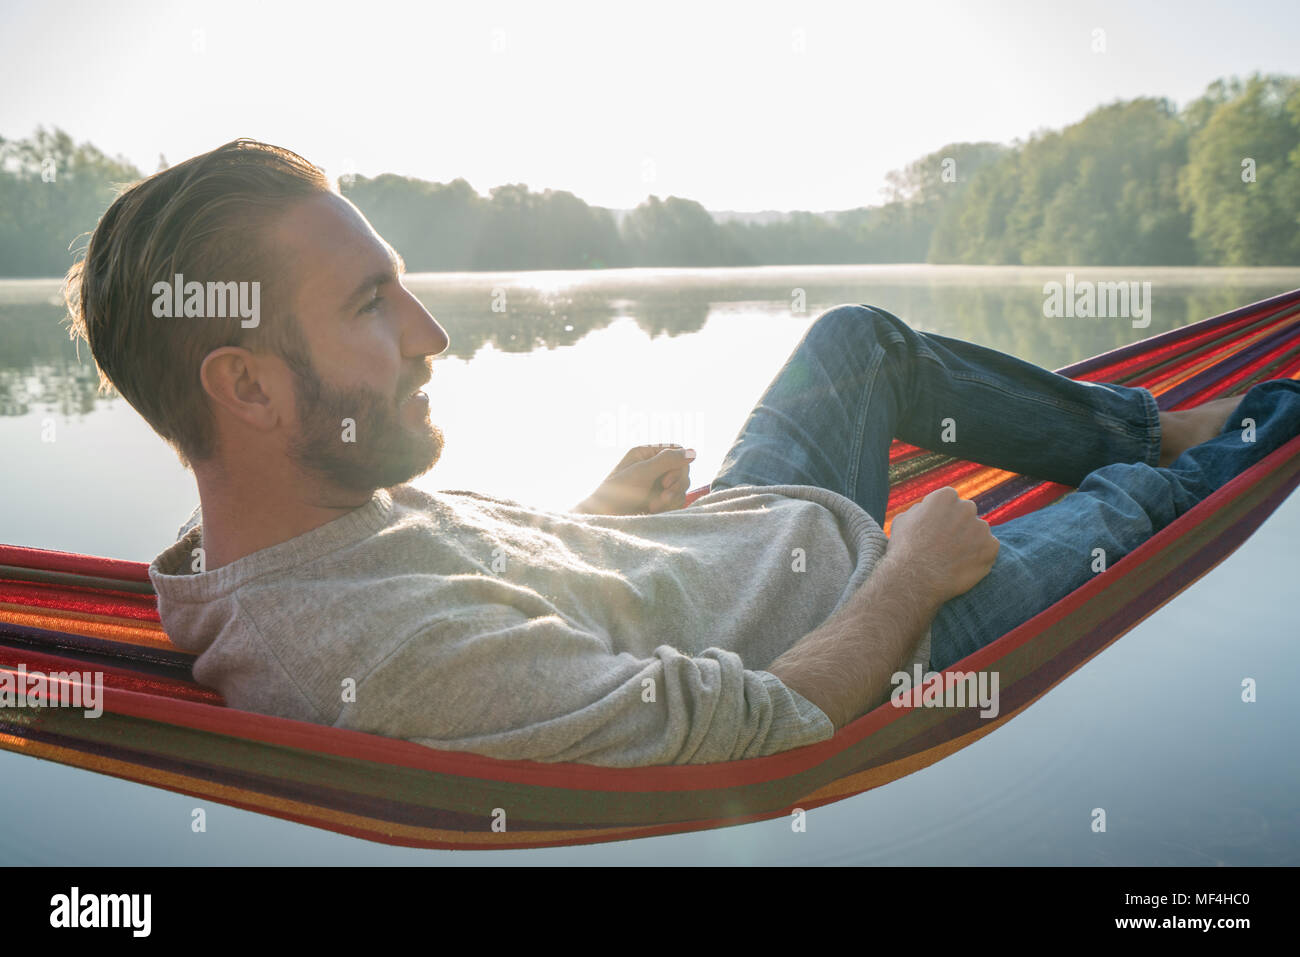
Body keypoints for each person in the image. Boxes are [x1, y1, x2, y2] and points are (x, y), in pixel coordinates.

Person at [64, 139, 1300, 767]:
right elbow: (765, 731)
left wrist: (597, 515)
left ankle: (1146, 414)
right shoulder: (369, 658)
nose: (433, 335)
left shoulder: (299, 527)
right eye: (370, 306)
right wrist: (914, 574)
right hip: (885, 623)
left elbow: (502, 599)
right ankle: (1197, 441)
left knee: (858, 339)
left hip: (752, 527)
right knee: (1136, 511)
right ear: (248, 388)